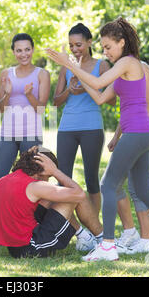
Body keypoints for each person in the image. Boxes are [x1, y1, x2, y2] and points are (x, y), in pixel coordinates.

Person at [46, 17, 149, 261]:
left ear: (122, 43)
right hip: (146, 134)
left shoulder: (126, 62)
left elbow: (101, 81)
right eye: (103, 48)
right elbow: (101, 96)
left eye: (108, 47)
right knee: (143, 190)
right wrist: (79, 77)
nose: (105, 52)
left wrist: (70, 66)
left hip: (137, 133)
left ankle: (108, 246)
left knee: (107, 185)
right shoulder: (134, 68)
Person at [0, 33, 51, 247]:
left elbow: (41, 109)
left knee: (33, 182)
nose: (23, 54)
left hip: (31, 134)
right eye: (19, 50)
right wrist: (7, 93)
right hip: (8, 134)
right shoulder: (6, 73)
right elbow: (1, 107)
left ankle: (32, 230)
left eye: (27, 49)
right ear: (14, 52)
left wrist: (29, 95)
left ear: (33, 49)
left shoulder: (42, 74)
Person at [53, 23, 111, 251]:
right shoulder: (65, 67)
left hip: (91, 126)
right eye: (71, 46)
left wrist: (86, 85)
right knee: (62, 179)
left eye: (78, 44)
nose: (75, 49)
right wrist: (70, 89)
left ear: (89, 43)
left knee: (91, 179)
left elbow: (110, 98)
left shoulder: (102, 65)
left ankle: (97, 232)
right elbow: (56, 101)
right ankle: (72, 230)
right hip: (67, 127)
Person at [0, 146, 103, 258]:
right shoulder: (34, 186)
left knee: (54, 196)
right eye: (48, 176)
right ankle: (103, 240)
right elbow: (79, 194)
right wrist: (55, 171)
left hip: (13, 247)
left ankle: (84, 238)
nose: (48, 180)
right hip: (31, 247)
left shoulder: (3, 180)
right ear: (42, 170)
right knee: (72, 196)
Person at [111, 61, 149, 254]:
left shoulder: (139, 67)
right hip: (135, 134)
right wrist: (117, 136)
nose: (107, 52)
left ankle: (144, 239)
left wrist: (136, 134)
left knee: (135, 188)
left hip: (145, 134)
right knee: (118, 185)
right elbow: (127, 109)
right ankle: (132, 233)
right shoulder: (122, 69)